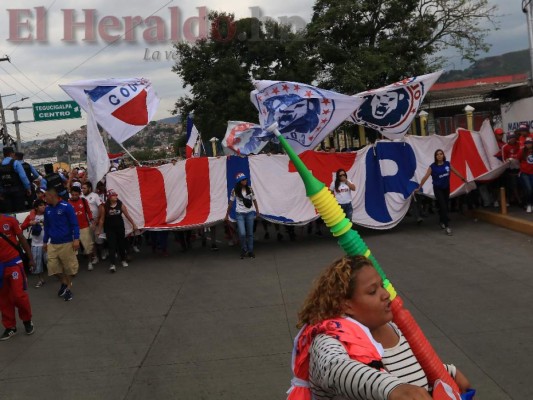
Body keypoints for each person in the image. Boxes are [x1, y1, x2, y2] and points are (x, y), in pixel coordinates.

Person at [289, 255, 472, 400]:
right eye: (372, 291)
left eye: (382, 286)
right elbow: (335, 369)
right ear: (346, 305)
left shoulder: (393, 328)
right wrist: (392, 388)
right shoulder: (328, 340)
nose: (385, 295)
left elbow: (411, 367)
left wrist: (449, 372)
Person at [0, 213, 35, 340]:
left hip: (13, 263)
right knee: (3, 298)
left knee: (18, 295)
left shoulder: (9, 220)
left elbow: (22, 238)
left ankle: (27, 320)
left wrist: (31, 258)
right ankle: (10, 327)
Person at [416, 149, 467, 236]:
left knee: (444, 206)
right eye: (437, 154)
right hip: (438, 189)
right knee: (443, 206)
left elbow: (455, 171)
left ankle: (441, 221)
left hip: (446, 189)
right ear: (435, 157)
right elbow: (425, 177)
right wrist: (419, 187)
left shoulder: (447, 164)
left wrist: (463, 178)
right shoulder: (432, 167)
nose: (439, 156)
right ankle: (447, 227)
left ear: (443, 155)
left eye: (441, 154)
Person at [43, 187, 80, 302]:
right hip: (53, 244)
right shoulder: (47, 209)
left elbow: (75, 224)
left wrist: (76, 239)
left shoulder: (66, 207)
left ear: (52, 196)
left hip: (67, 243)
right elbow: (47, 226)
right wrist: (45, 241)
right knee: (53, 268)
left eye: (46, 196)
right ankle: (64, 282)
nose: (44, 198)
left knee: (70, 269)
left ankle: (68, 289)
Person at [97, 189, 137, 273]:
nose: (116, 196)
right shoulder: (105, 207)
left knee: (121, 245)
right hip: (110, 229)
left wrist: (133, 224)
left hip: (120, 228)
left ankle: (123, 259)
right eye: (114, 195)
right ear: (109, 197)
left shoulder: (120, 204)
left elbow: (127, 215)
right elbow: (101, 220)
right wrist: (99, 230)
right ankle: (112, 264)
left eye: (116, 195)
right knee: (112, 246)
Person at [225, 172, 260, 259]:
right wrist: (227, 215)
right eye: (244, 179)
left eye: (246, 179)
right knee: (242, 233)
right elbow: (230, 203)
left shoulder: (250, 189)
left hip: (250, 213)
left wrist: (257, 211)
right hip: (239, 214)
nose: (246, 180)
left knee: (250, 234)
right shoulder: (234, 191)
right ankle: (244, 249)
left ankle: (250, 251)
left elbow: (254, 200)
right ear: (240, 181)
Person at [68, 186, 96, 270]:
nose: (74, 196)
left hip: (84, 227)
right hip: (72, 229)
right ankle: (75, 265)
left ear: (79, 194)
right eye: (72, 195)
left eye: (76, 195)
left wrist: (91, 220)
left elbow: (88, 212)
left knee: (88, 246)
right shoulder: (68, 203)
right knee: (73, 249)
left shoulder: (83, 201)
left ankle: (90, 262)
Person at [21, 200, 47, 288]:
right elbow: (22, 227)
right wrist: (29, 223)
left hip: (48, 243)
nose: (43, 207)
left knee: (49, 260)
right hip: (36, 244)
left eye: (44, 205)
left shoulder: (48, 214)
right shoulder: (31, 216)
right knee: (36, 264)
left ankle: (60, 276)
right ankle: (40, 280)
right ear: (36, 207)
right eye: (41, 205)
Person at [0, 146, 32, 213]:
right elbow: (23, 177)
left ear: (4, 154)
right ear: (12, 154)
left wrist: (1, 192)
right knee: (20, 211)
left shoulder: (1, 165)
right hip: (18, 191)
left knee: (9, 212)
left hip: (6, 192)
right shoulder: (16, 163)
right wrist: (28, 188)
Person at [81, 182, 104, 265]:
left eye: (84, 188)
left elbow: (100, 208)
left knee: (99, 240)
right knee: (91, 241)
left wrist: (97, 220)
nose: (82, 190)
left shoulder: (95, 196)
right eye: (82, 188)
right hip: (87, 223)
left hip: (96, 222)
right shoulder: (81, 197)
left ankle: (101, 253)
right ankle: (95, 256)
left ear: (89, 188)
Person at [502, 133, 522, 206]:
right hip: (511, 169)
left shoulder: (519, 144)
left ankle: (520, 199)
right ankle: (519, 201)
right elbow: (504, 159)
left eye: (513, 138)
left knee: (521, 185)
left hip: (521, 168)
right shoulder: (505, 147)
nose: (512, 139)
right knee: (514, 185)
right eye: (511, 138)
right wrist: (509, 160)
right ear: (508, 139)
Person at [518, 137, 533, 213]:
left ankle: (531, 203)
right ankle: (529, 204)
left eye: (530, 143)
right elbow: (518, 159)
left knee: (532, 189)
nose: (528, 144)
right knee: (529, 189)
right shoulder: (522, 151)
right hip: (525, 173)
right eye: (527, 143)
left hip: (532, 173)